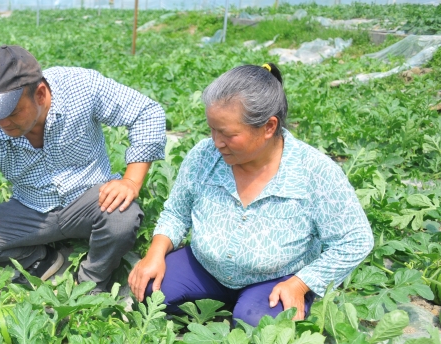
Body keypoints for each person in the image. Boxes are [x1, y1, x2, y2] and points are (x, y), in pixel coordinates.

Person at [0, 45, 166, 330]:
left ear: (39, 94)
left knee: (122, 217)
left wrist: (131, 180)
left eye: (11, 112)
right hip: (30, 206)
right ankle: (44, 260)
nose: (2, 123)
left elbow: (147, 112)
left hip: (90, 198)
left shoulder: (80, 86)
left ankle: (91, 282)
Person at [128, 63, 374, 327]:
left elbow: (355, 240)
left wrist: (301, 284)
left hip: (276, 279)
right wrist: (155, 254)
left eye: (228, 134)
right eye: (212, 129)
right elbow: (176, 212)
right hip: (206, 268)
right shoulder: (204, 155)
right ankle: (227, 304)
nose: (216, 142)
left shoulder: (315, 172)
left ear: (269, 127)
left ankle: (247, 307)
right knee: (149, 293)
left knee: (254, 324)